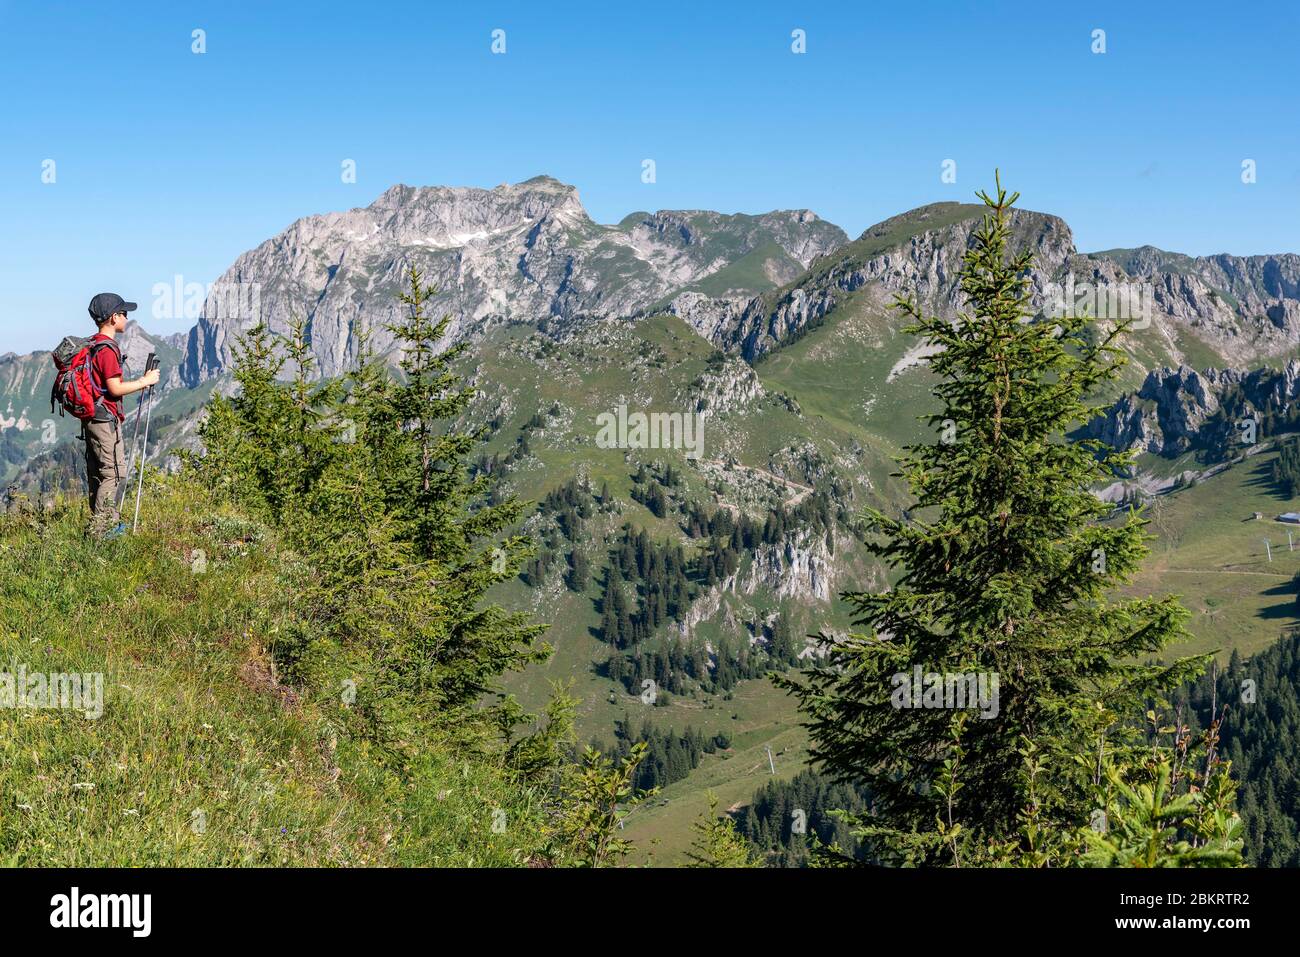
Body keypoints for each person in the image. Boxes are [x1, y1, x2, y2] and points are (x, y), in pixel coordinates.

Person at [83, 293, 160, 537]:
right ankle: (103, 532)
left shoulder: (93, 343)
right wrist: (144, 381)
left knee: (100, 472)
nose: (127, 317)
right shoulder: (107, 349)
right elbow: (115, 388)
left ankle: (105, 525)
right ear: (113, 317)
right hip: (104, 419)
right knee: (115, 473)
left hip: (94, 417)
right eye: (124, 313)